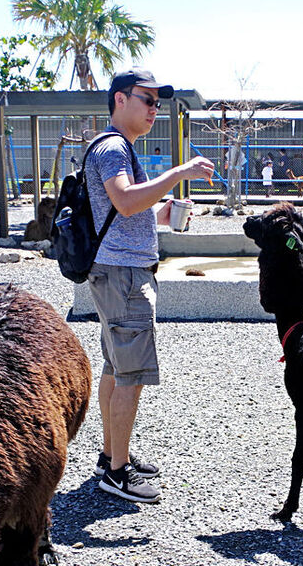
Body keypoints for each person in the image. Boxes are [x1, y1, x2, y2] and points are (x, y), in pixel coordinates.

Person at [85, 68, 214, 503]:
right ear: (120, 100)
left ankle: (111, 457)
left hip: (117, 271)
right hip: (123, 277)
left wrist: (158, 215)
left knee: (116, 369)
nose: (154, 109)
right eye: (147, 99)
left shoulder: (118, 147)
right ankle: (117, 474)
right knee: (131, 376)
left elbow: (124, 207)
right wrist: (179, 172)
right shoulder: (114, 148)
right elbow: (123, 199)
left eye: (158, 102)